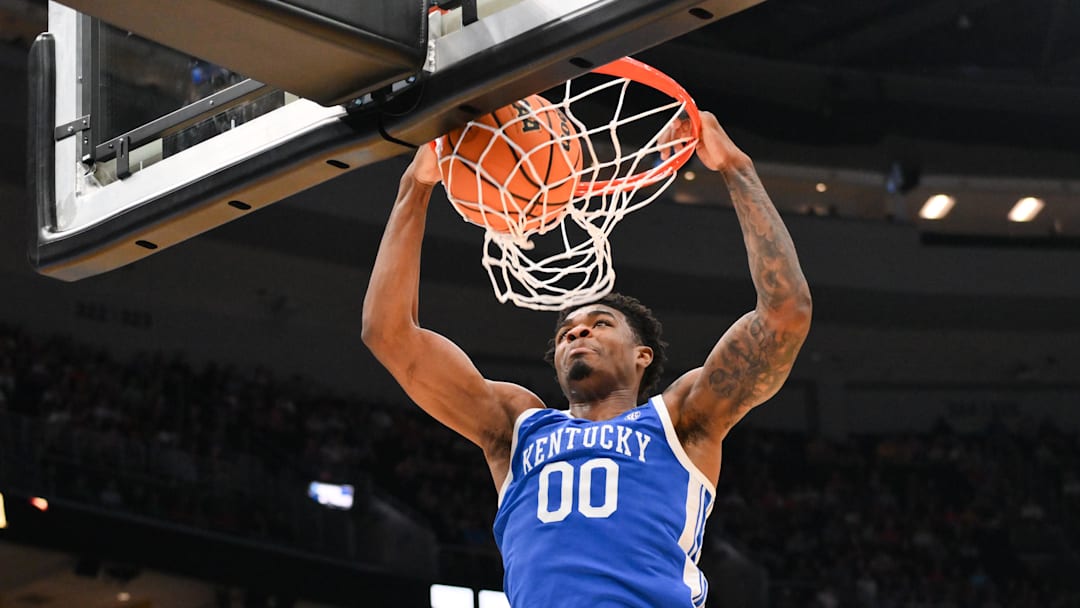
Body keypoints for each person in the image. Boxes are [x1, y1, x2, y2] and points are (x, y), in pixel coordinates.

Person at [362, 111, 812, 607]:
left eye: (600, 324)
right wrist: (415, 185)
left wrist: (737, 168)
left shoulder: (680, 420)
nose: (577, 330)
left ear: (643, 356)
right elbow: (388, 334)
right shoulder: (515, 426)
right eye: (565, 332)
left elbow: (785, 314)